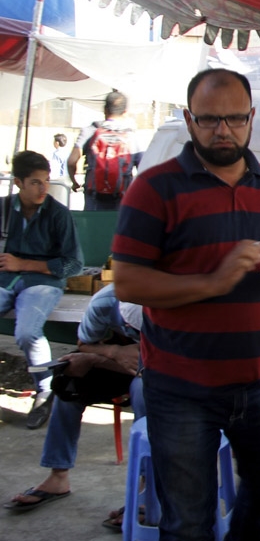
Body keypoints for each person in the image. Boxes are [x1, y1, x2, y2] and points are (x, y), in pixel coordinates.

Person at [111, 68, 260, 541]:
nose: (223, 130)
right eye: (208, 120)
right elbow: (126, 282)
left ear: (251, 118)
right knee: (187, 520)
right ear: (188, 119)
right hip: (182, 386)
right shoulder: (155, 187)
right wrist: (213, 282)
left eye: (234, 118)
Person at [4, 283, 143, 516]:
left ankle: (145, 489)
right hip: (116, 362)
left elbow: (169, 361)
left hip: (159, 368)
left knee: (144, 392)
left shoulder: (171, 305)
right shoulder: (104, 302)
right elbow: (84, 345)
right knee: (69, 384)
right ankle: (58, 477)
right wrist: (112, 354)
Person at [0, 151, 84, 429]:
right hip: (4, 281)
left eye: (46, 181)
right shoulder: (2, 210)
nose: (43, 188)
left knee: (27, 332)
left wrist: (23, 263)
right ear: (18, 183)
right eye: (35, 182)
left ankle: (45, 390)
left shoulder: (58, 215)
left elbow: (73, 264)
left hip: (42, 284)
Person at [67, 91, 144, 211]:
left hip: (94, 200)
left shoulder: (90, 131)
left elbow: (71, 161)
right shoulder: (131, 137)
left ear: (104, 109)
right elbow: (143, 169)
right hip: (122, 201)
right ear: (125, 112)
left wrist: (74, 182)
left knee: (94, 229)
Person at [49, 134, 72, 207]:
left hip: (59, 180)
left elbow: (54, 168)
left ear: (57, 143)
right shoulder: (69, 153)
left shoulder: (56, 154)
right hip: (67, 178)